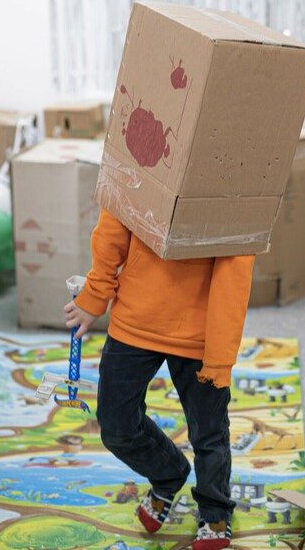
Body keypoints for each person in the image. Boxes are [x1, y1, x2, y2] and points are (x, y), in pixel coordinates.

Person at [64, 209, 255, 550]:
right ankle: (168, 473)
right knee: (115, 425)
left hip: (200, 328)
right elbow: (114, 222)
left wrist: (221, 354)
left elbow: (236, 267)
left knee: (209, 431)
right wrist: (96, 295)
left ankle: (214, 508)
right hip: (137, 316)